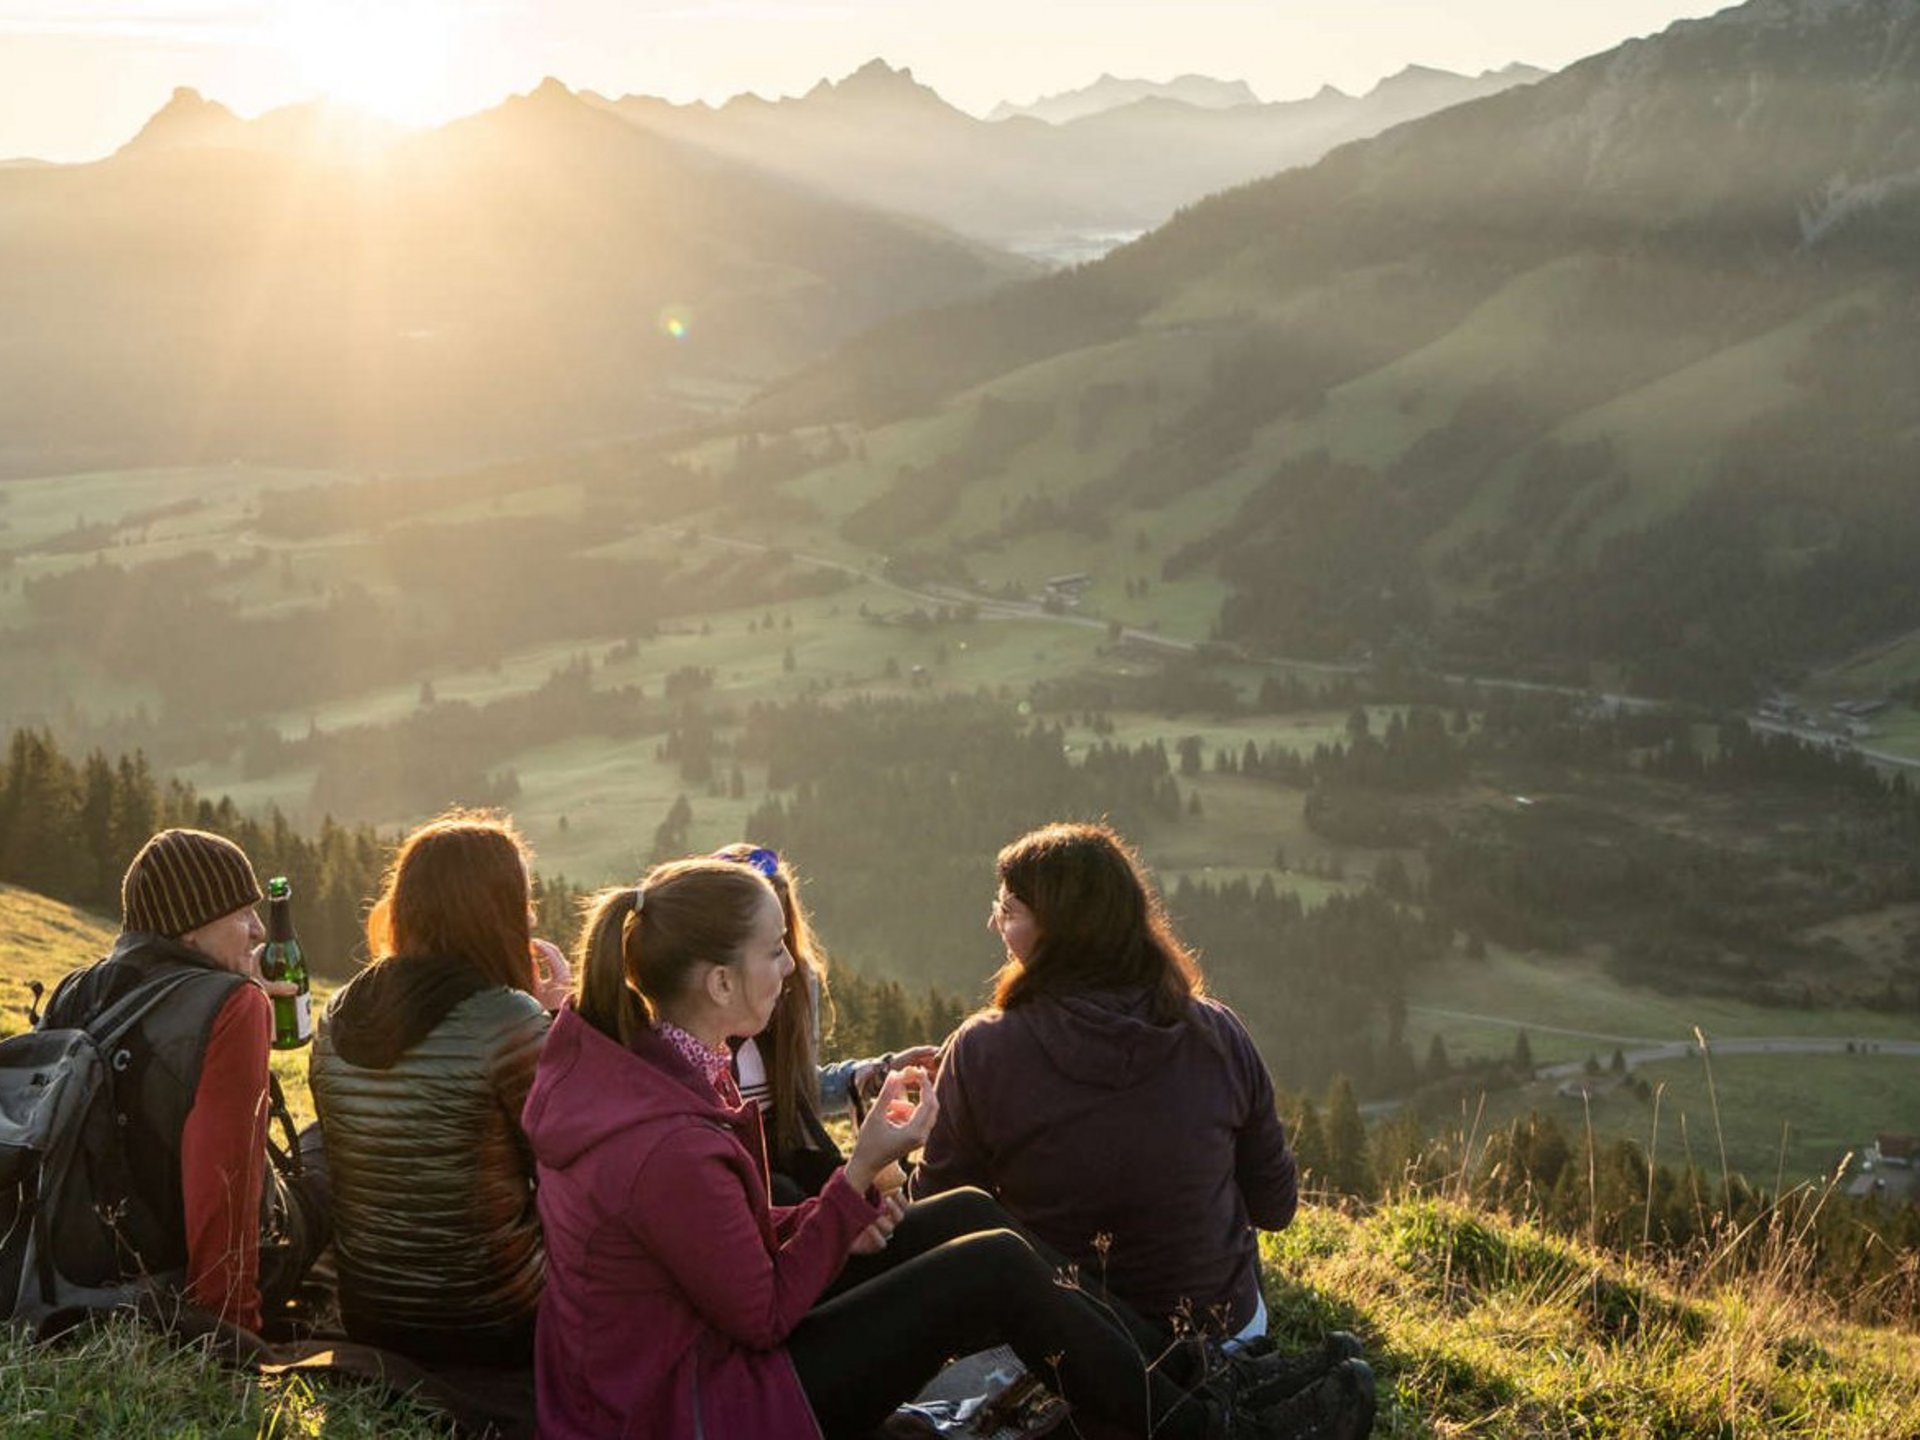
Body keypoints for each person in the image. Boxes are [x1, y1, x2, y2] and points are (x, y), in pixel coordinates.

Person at [526, 856, 1312, 1440]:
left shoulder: (661, 1072)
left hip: (683, 1364)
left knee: (967, 1211)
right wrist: (855, 1179)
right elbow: (759, 1313)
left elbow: (712, 1246)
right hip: (687, 1409)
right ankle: (1203, 1429)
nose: (791, 965)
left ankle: (1194, 1382)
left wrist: (840, 1207)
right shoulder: (665, 1140)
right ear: (719, 985)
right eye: (772, 951)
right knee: (989, 1268)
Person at [911, 822, 1372, 1431]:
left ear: (1060, 927)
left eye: (1009, 908)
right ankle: (1242, 1382)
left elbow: (943, 1216)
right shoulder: (1218, 1033)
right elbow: (1276, 1207)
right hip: (1225, 1330)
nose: (994, 922)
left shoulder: (984, 1049)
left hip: (1056, 1351)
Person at [39, 828, 330, 1333]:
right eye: (243, 913)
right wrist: (230, 1326)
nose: (260, 931)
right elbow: (224, 1186)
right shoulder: (233, 1007)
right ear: (190, 928)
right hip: (177, 1282)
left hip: (77, 1276)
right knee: (331, 1148)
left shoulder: (76, 990)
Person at [309, 810, 571, 1365]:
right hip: (495, 1320)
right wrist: (556, 1026)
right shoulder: (506, 1021)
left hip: (371, 1315)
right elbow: (567, 1166)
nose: (529, 913)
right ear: (494, 911)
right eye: (522, 900)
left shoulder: (338, 1015)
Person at [711, 842, 938, 1201]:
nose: (782, 960)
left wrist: (879, 1072)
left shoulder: (797, 981)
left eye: (781, 932)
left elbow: (800, 1086)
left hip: (791, 1155)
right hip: (741, 1177)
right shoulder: (696, 1011)